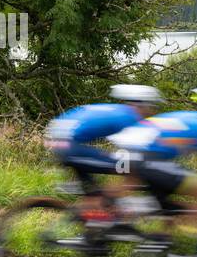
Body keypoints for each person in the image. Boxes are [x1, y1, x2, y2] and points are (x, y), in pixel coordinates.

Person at [106, 87, 197, 216]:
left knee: (161, 203)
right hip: (147, 159)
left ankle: (101, 208)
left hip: (126, 152)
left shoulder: (194, 117)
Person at [44, 85, 164, 218]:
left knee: (96, 191)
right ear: (141, 105)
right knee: (131, 168)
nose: (151, 112)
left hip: (60, 141)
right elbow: (137, 149)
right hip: (69, 146)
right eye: (151, 107)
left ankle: (95, 216)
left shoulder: (118, 110)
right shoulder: (130, 117)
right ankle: (111, 208)